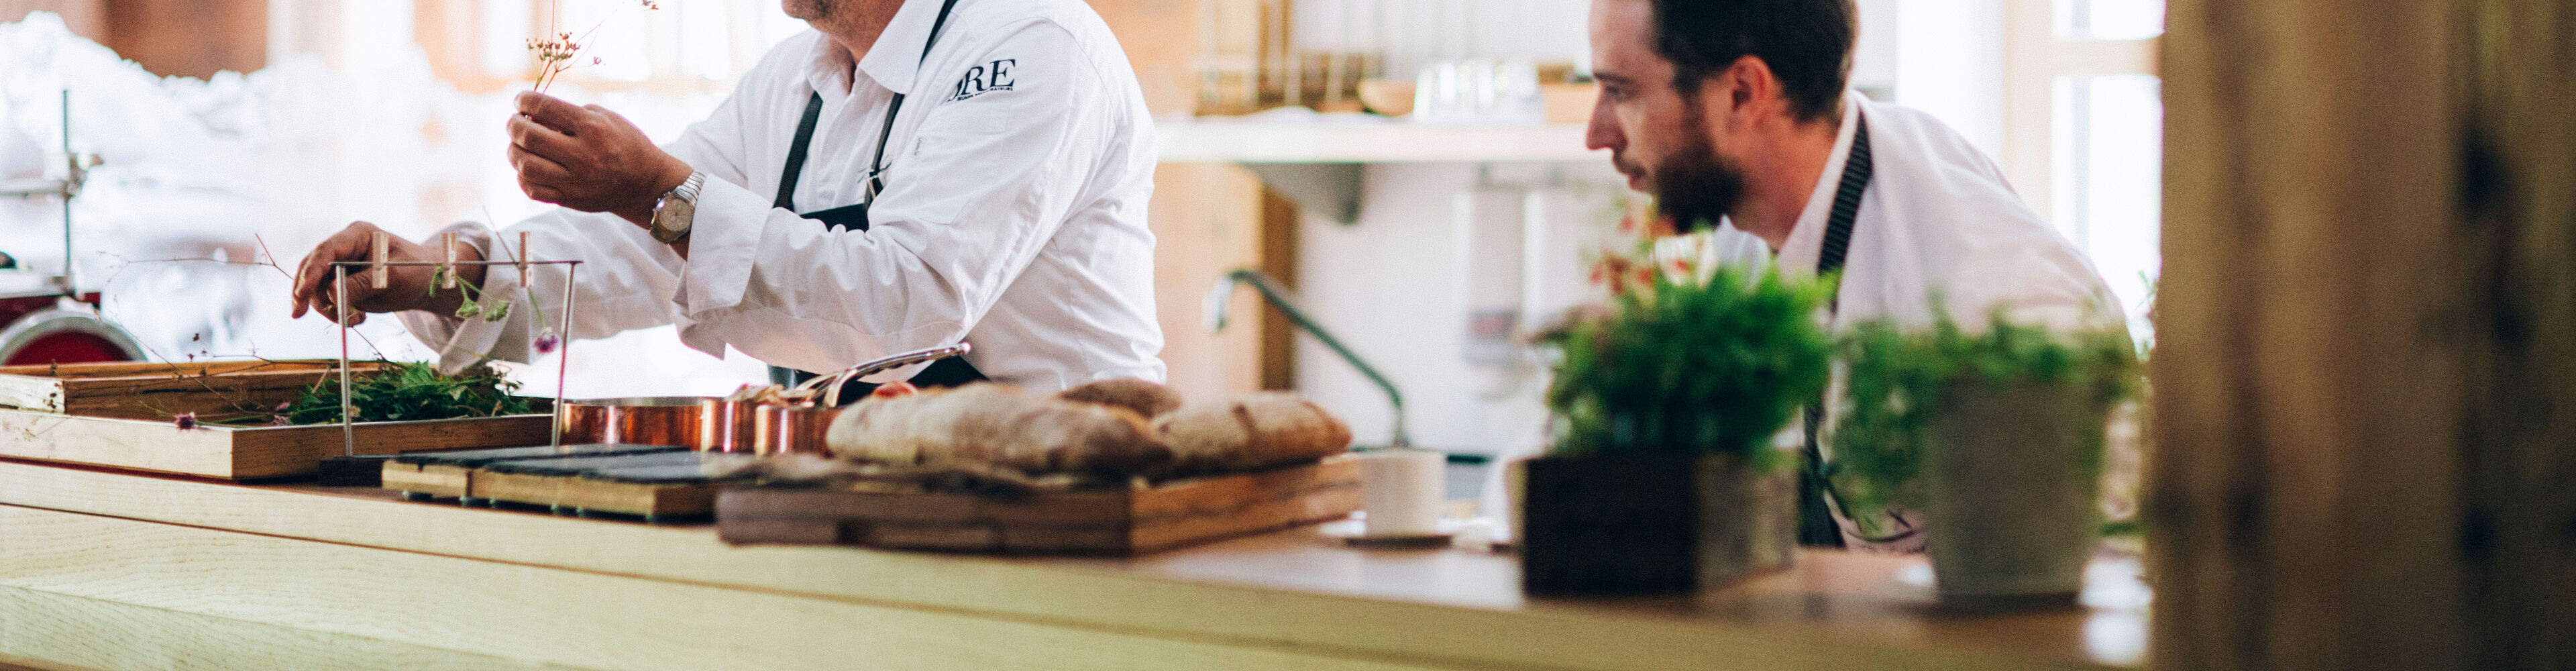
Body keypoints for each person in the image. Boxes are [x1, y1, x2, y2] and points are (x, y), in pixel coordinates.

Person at [287, 0, 1167, 394]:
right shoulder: (792, 79)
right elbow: (634, 250)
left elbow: (912, 304)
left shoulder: (1032, 41)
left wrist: (660, 192)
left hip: (1069, 506)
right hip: (873, 502)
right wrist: (445, 274)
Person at [1583, 0, 2125, 551]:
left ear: (1743, 94)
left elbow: (2085, 596)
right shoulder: (1738, 227)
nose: (1596, 134)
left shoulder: (1992, 299)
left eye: (1620, 92)